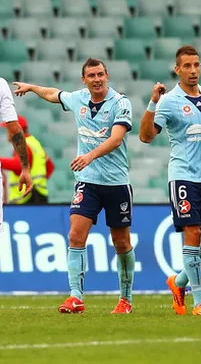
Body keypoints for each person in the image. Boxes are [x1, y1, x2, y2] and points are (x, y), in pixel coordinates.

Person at [13, 58, 136, 314]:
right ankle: (76, 296)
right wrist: (32, 87)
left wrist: (89, 156)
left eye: (100, 74)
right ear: (84, 80)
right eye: (91, 75)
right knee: (75, 235)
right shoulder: (78, 99)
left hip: (116, 184)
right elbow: (53, 94)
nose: (97, 79)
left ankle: (125, 299)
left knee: (121, 243)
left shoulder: (120, 103)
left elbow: (115, 140)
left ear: (107, 75)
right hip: (87, 183)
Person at [139, 45, 201, 316]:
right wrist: (153, 102)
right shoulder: (169, 101)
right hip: (183, 177)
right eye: (187, 66)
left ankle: (178, 282)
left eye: (196, 65)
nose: (193, 70)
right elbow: (146, 136)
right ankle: (199, 301)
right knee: (193, 233)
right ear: (177, 70)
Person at [1, 115, 54, 204]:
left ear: (16, 130)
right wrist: (37, 183)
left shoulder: (23, 146)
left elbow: (18, 165)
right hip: (39, 195)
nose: (7, 133)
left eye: (8, 129)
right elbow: (50, 167)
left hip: (28, 198)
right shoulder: (35, 143)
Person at [0, 77, 33, 217]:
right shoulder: (1, 85)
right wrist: (25, 169)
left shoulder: (31, 144)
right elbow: (14, 130)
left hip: (32, 197)